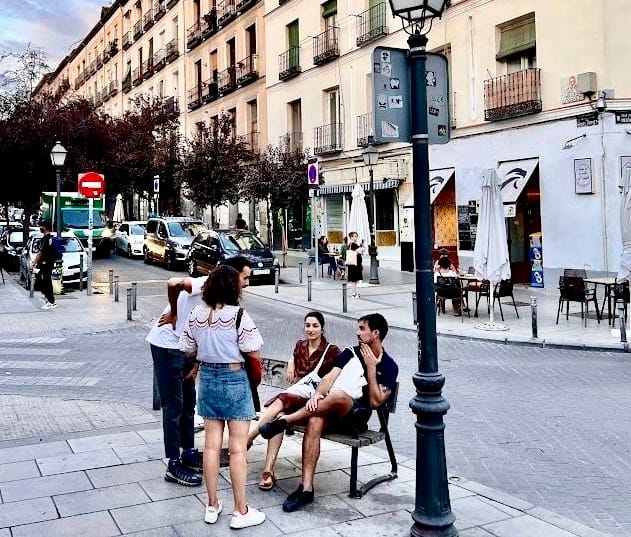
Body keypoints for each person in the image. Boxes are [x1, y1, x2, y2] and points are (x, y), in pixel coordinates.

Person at [259, 313, 399, 512]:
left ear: (375, 333)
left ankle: (286, 420)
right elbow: (330, 377)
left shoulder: (390, 366)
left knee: (339, 396)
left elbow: (375, 401)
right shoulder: (350, 352)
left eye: (362, 329)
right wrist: (317, 394)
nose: (357, 333)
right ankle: (306, 488)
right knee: (315, 419)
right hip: (329, 410)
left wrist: (371, 367)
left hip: (354, 419)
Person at [179, 265, 266, 529]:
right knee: (237, 448)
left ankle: (212, 505)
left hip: (208, 379)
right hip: (235, 378)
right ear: (233, 287)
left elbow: (186, 348)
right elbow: (253, 350)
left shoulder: (196, 314)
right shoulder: (238, 315)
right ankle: (241, 511)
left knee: (210, 447)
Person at [247, 311, 340, 491]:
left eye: (315, 326)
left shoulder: (332, 351)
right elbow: (294, 356)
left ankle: (250, 438)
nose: (310, 329)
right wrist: (291, 362)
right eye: (307, 325)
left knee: (282, 401)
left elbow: (339, 372)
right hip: (296, 399)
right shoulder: (300, 346)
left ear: (322, 329)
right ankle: (268, 470)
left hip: (314, 402)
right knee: (278, 416)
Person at [147, 275, 210, 487]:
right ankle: (173, 465)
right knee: (174, 406)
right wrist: (174, 312)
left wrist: (196, 363)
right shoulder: (205, 283)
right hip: (167, 345)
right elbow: (173, 283)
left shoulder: (225, 296)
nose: (247, 283)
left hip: (185, 349)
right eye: (244, 278)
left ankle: (188, 452)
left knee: (188, 402)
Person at [30, 221, 57, 310]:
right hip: (49, 263)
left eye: (41, 226)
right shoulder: (51, 238)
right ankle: (49, 298)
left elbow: (40, 252)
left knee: (45, 282)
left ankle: (51, 301)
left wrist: (34, 262)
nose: (40, 228)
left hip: (45, 264)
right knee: (45, 281)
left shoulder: (45, 239)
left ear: (45, 228)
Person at [346, 232, 364, 298]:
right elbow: (360, 251)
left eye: (356, 236)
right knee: (354, 279)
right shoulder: (353, 244)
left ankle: (354, 293)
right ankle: (353, 294)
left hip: (354, 264)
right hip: (354, 264)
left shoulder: (350, 244)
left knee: (355, 280)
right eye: (355, 236)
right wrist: (362, 247)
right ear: (351, 237)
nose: (356, 238)